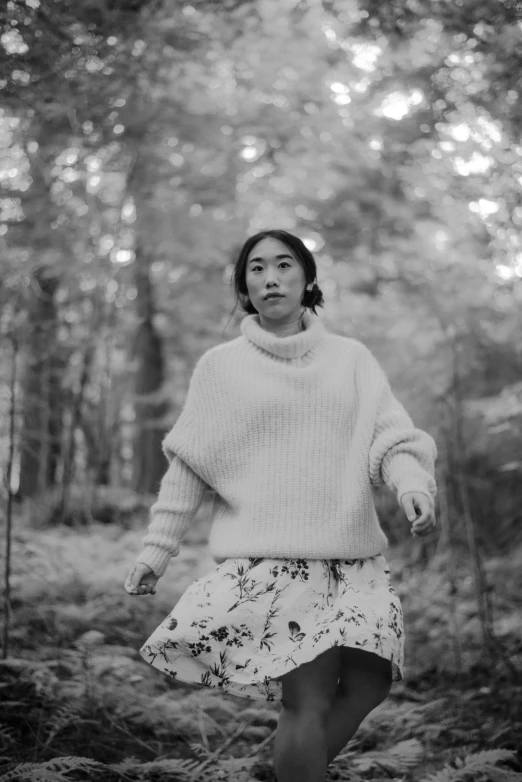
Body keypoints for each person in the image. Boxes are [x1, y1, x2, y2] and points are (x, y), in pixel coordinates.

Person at [124, 228, 437, 782]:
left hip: (353, 556)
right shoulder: (221, 368)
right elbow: (189, 465)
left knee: (371, 682)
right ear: (245, 286)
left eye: (284, 265)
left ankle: (297, 769)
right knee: (308, 702)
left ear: (307, 278)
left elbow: (393, 435)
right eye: (257, 268)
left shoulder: (351, 359)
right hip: (276, 561)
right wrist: (157, 549)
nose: (271, 277)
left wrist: (412, 484)